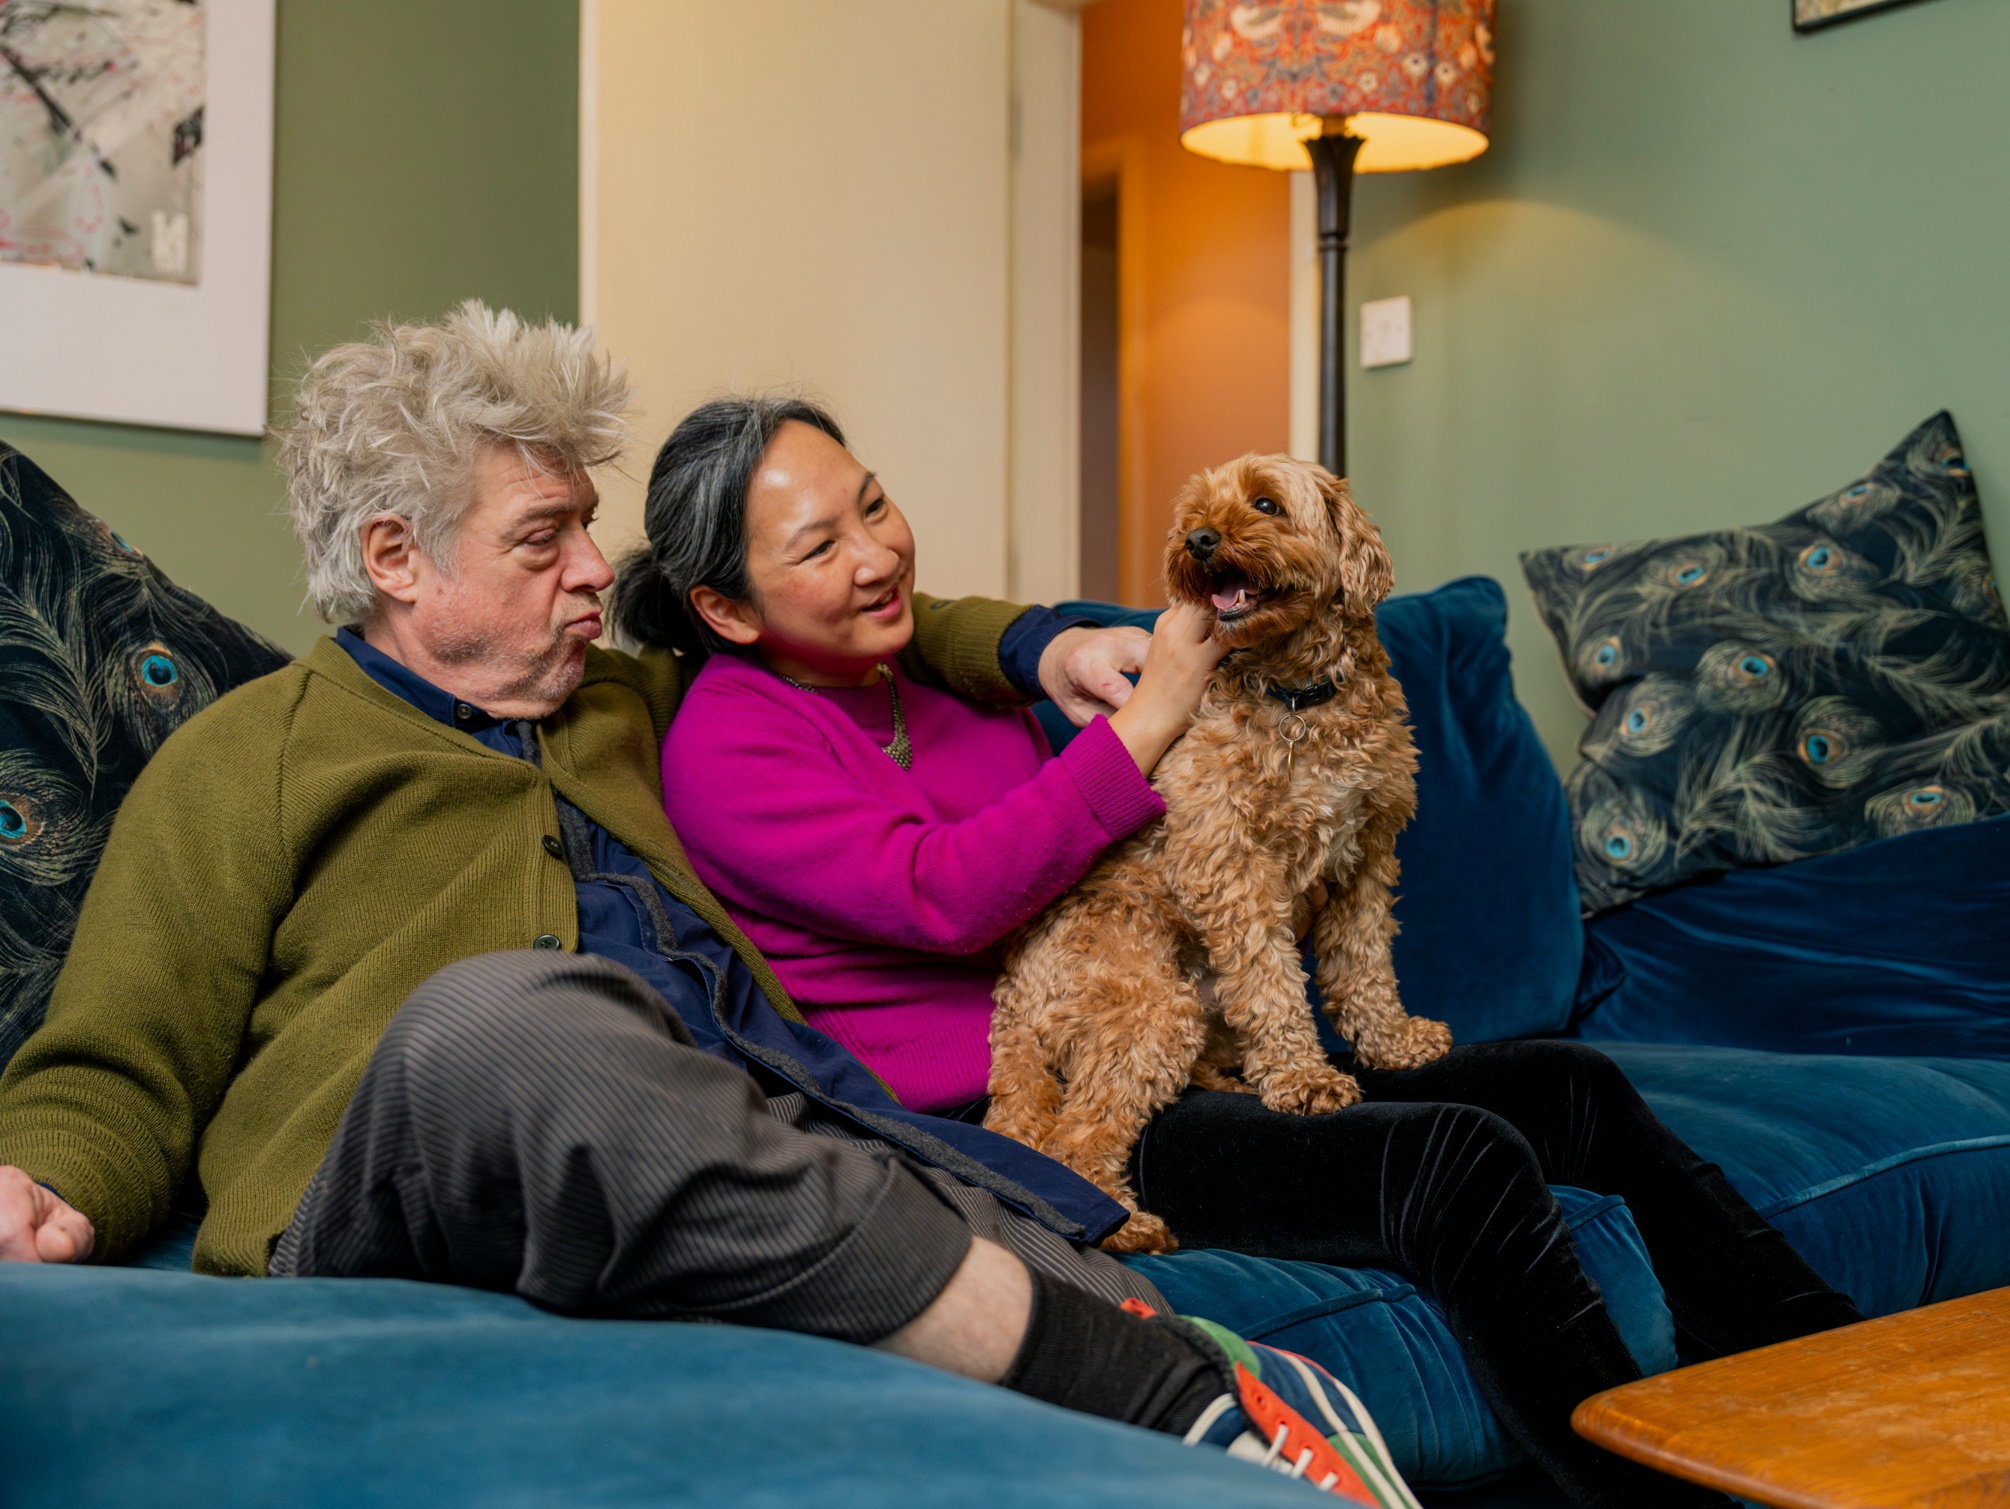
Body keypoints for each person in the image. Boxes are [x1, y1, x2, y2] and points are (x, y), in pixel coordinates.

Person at [0, 304, 1419, 1502]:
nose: (590, 580)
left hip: (730, 1136)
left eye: (587, 531)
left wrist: (1037, 640)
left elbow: (836, 612)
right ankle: (1150, 1381)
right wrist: (48, 1181)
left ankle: (1183, 1384)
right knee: (512, 1017)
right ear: (395, 560)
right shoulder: (249, 755)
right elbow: (118, 1055)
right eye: (543, 540)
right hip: (406, 1175)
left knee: (1031, 1220)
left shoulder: (631, 700)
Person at [621, 394, 1869, 1509]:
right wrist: (1155, 714)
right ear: (726, 607)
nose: (879, 552)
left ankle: (1833, 1396)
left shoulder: (938, 671)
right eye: (820, 545)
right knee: (1451, 1161)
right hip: (1023, 1109)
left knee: (1573, 1085)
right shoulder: (726, 749)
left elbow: (1003, 661)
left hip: (1199, 1021)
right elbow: (950, 900)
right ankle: (1647, 1491)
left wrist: (1048, 648)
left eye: (876, 505)